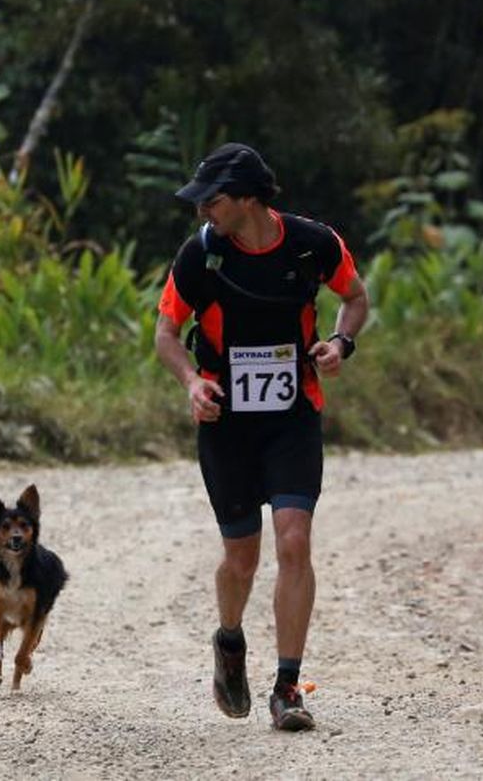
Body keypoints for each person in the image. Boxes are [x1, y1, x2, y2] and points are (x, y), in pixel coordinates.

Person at [153, 143, 369, 732]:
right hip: (227, 424)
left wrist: (341, 343)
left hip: (292, 415)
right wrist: (192, 382)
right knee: (241, 559)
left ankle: (287, 688)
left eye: (213, 201)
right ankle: (229, 643)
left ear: (247, 197)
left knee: (294, 541)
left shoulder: (313, 243)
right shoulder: (201, 256)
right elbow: (166, 335)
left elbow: (355, 297)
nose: (204, 213)